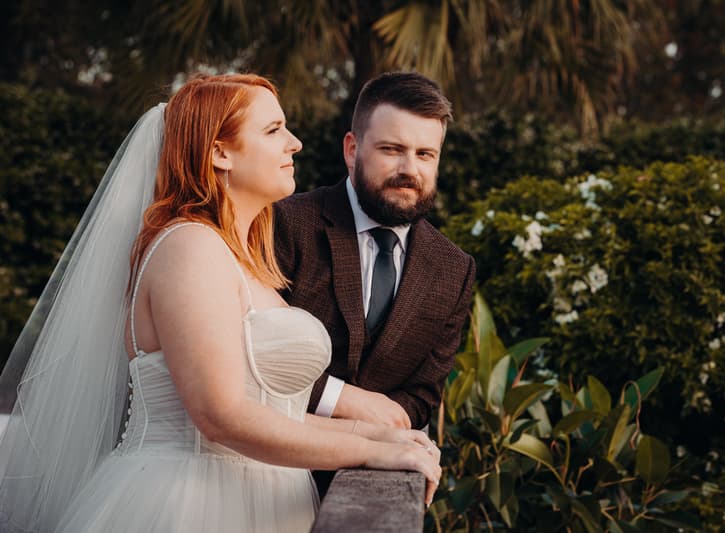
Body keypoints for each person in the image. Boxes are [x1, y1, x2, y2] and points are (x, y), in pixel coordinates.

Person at [0, 74, 441, 533]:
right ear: (219, 152)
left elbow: (279, 412)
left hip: (266, 499)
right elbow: (220, 415)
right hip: (189, 502)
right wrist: (374, 451)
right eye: (273, 130)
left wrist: (386, 436)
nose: (295, 143)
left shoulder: (242, 260)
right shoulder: (187, 246)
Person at [273, 72, 476, 433]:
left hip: (377, 475)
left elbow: (423, 395)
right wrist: (348, 407)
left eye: (425, 154)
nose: (409, 170)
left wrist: (379, 435)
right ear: (352, 150)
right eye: (392, 150)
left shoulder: (454, 269)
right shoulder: (286, 224)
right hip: (271, 463)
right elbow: (257, 356)